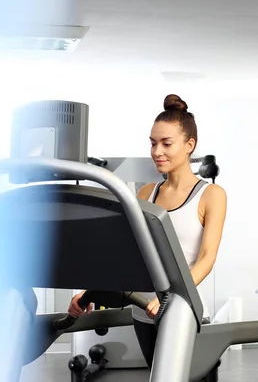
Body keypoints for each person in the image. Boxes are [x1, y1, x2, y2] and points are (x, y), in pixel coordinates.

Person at [68, 94, 227, 371]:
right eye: (153, 143)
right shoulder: (146, 193)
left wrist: (171, 298)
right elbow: (126, 255)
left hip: (183, 312)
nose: (157, 151)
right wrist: (89, 293)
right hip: (143, 311)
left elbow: (206, 259)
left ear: (189, 145)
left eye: (166, 143)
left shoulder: (211, 194)